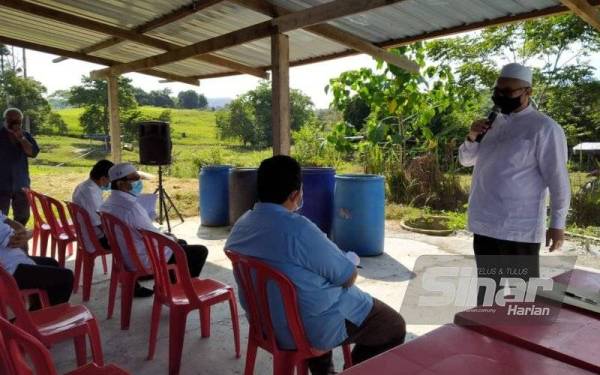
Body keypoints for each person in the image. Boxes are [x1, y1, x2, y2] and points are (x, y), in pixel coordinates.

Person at [226, 155, 406, 374]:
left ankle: (323, 369)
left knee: (311, 287)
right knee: (393, 325)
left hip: (266, 323)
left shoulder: (242, 224)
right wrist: (348, 261)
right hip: (305, 328)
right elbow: (347, 277)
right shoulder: (299, 230)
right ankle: (355, 370)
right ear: (295, 194)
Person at [458, 63, 571, 306]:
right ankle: (485, 341)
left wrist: (557, 224)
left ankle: (520, 342)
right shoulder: (492, 123)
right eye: (498, 90)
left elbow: (558, 180)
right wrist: (472, 136)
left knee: (523, 298)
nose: (500, 96)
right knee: (488, 294)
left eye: (508, 92)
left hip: (518, 227)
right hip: (484, 223)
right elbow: (466, 160)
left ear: (527, 92)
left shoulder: (545, 128)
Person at [100, 163, 208, 297]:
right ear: (121, 184)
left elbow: (142, 230)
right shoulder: (131, 208)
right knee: (199, 251)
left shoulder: (106, 205)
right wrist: (170, 238)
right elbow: (153, 236)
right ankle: (172, 291)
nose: (138, 182)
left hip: (124, 257)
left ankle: (165, 284)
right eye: (134, 179)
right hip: (142, 259)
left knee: (181, 244)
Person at [0, 212, 73, 307]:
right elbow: (16, 240)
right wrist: (28, 232)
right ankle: (49, 316)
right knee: (67, 277)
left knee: (52, 262)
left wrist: (21, 230)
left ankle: (38, 308)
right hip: (8, 271)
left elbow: (9, 221)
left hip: (12, 259)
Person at [0, 108, 40, 226]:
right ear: (5, 120)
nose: (14, 123)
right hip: (1, 185)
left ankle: (18, 239)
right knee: (1, 218)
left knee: (23, 216)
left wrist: (21, 138)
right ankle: (4, 241)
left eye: (17, 120)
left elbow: (32, 153)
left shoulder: (26, 135)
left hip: (21, 184)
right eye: (11, 120)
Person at [72, 159, 114, 250]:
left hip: (87, 232)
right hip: (95, 238)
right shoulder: (91, 194)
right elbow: (99, 223)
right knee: (130, 241)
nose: (110, 183)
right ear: (103, 178)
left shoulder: (84, 186)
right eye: (110, 180)